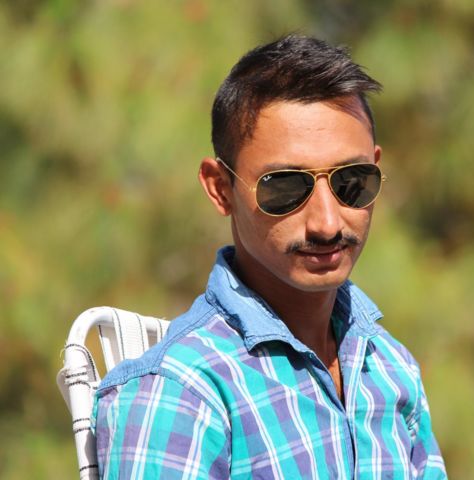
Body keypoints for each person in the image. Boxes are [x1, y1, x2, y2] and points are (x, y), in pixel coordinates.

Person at [93, 34, 447, 479]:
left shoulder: (391, 369)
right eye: (285, 188)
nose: (327, 223)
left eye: (352, 181)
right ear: (220, 188)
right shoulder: (179, 393)